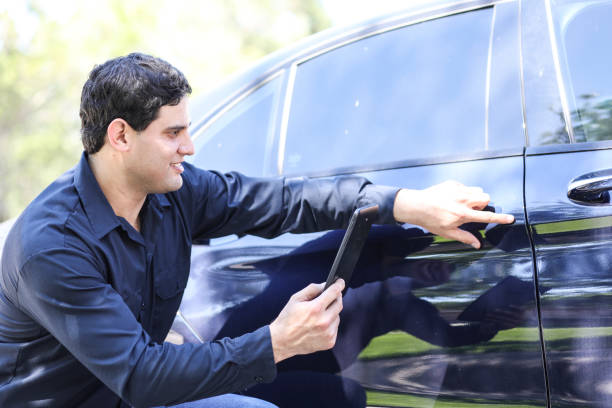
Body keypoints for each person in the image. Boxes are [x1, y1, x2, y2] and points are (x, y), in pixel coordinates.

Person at [0, 53, 514, 408]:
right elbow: (140, 376)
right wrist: (276, 342)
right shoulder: (52, 246)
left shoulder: (175, 194)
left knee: (338, 398)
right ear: (120, 136)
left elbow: (285, 202)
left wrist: (405, 203)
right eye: (173, 132)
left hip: (130, 394)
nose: (190, 146)